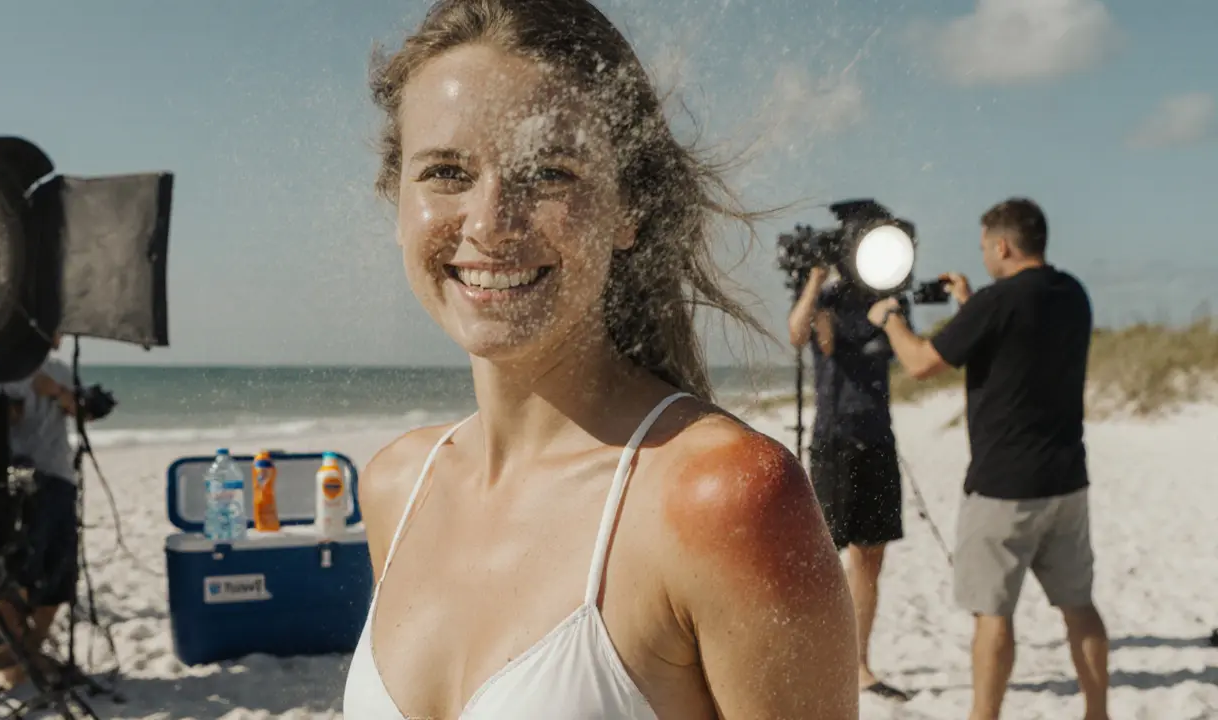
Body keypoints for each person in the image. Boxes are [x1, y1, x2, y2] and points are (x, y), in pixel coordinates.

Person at [342, 1, 858, 717]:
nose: (490, 224)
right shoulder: (397, 487)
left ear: (628, 208)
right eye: (447, 172)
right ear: (396, 198)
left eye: (549, 173)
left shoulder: (723, 498)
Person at [867, 197, 1110, 720]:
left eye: (984, 247)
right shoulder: (1072, 294)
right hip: (1067, 480)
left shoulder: (996, 304)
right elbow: (1018, 343)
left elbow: (920, 364)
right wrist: (969, 304)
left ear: (1002, 244)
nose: (982, 256)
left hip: (1004, 487)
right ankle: (1098, 712)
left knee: (993, 615)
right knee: (1080, 607)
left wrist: (889, 318)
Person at [787, 265, 911, 702]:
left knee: (871, 554)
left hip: (878, 438)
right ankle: (809, 656)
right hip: (834, 441)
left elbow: (907, 357)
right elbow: (798, 334)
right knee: (821, 553)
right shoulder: (826, 300)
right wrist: (816, 280)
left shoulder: (890, 298)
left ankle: (858, 664)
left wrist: (890, 314)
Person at [0, 333, 92, 689]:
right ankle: (14, 653)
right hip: (16, 485)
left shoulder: (58, 369)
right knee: (19, 573)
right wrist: (9, 410)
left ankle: (27, 651)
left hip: (60, 477)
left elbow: (84, 414)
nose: (60, 337)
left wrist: (58, 394)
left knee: (60, 571)